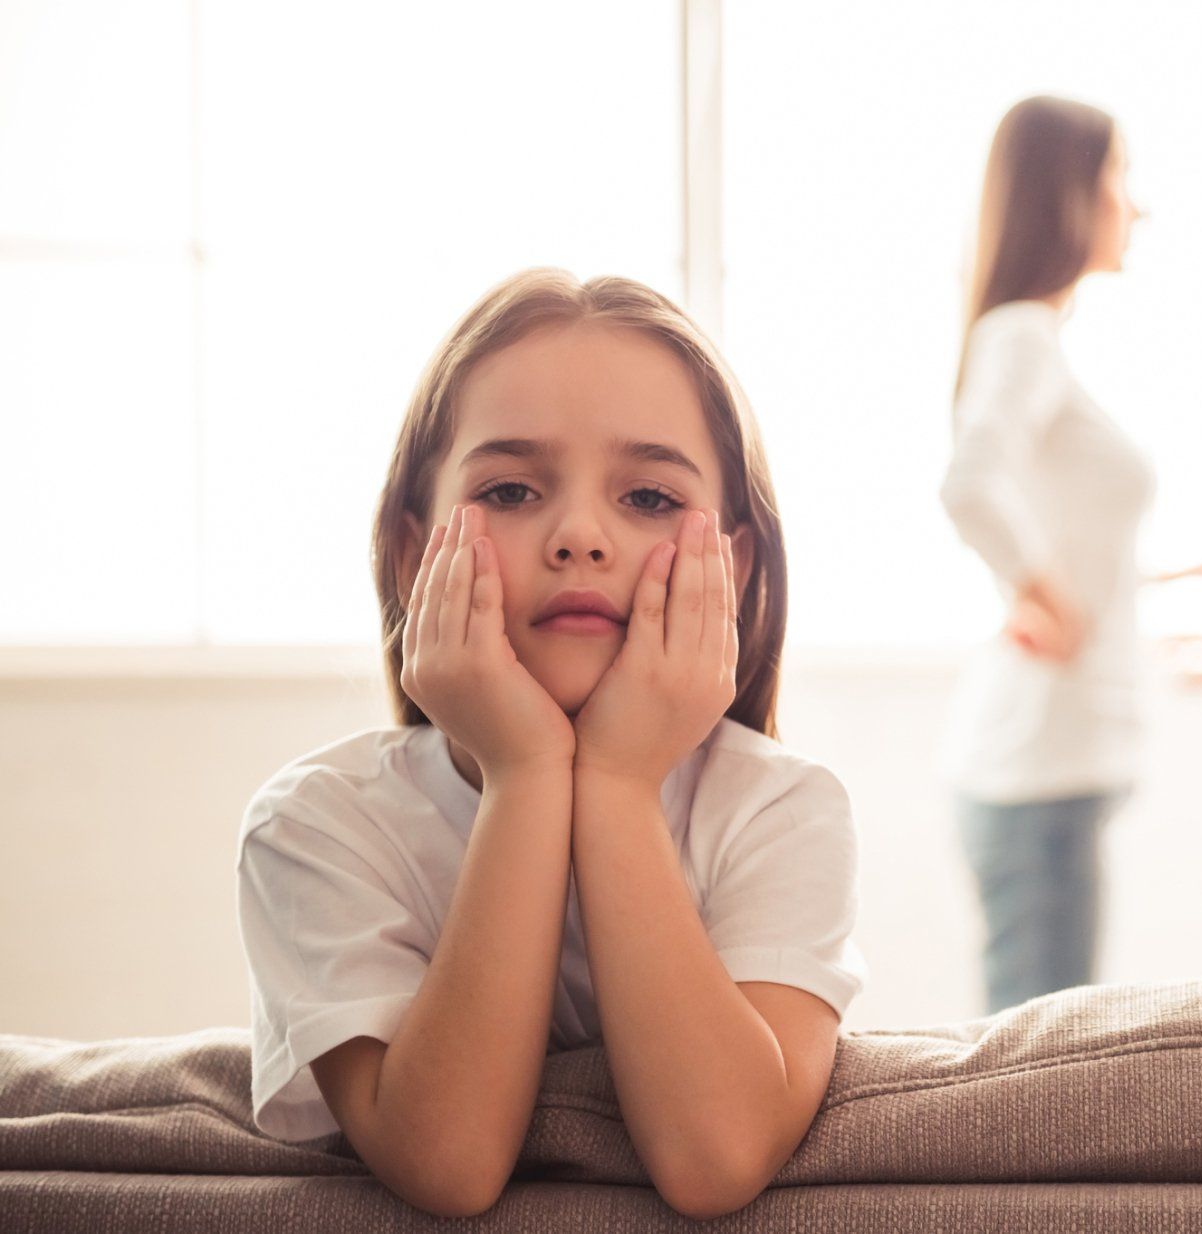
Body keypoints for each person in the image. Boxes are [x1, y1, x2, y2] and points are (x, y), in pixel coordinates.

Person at [235, 270, 864, 1220]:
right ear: (415, 554)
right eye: (513, 489)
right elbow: (446, 1164)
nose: (579, 536)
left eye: (649, 498)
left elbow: (717, 1156)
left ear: (729, 568)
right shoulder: (318, 823)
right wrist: (527, 773)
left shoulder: (785, 812)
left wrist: (611, 782)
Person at [939, 95, 1155, 1013]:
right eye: (1120, 178)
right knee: (1041, 1078)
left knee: (1048, 1054)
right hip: (1037, 775)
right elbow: (969, 485)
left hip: (1055, 772)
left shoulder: (1037, 343)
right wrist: (1044, 600)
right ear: (1070, 195)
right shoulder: (1022, 336)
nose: (1136, 205)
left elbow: (1050, 525)